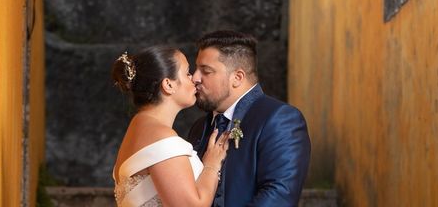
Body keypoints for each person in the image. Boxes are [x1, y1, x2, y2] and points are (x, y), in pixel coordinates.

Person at [188, 30, 311, 207]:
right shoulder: (199, 127)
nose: (195, 78)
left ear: (237, 77)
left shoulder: (281, 119)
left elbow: (278, 195)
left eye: (205, 71)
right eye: (196, 69)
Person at [112, 45, 231, 207]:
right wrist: (211, 164)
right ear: (168, 85)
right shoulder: (162, 137)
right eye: (187, 72)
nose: (194, 79)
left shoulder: (137, 126)